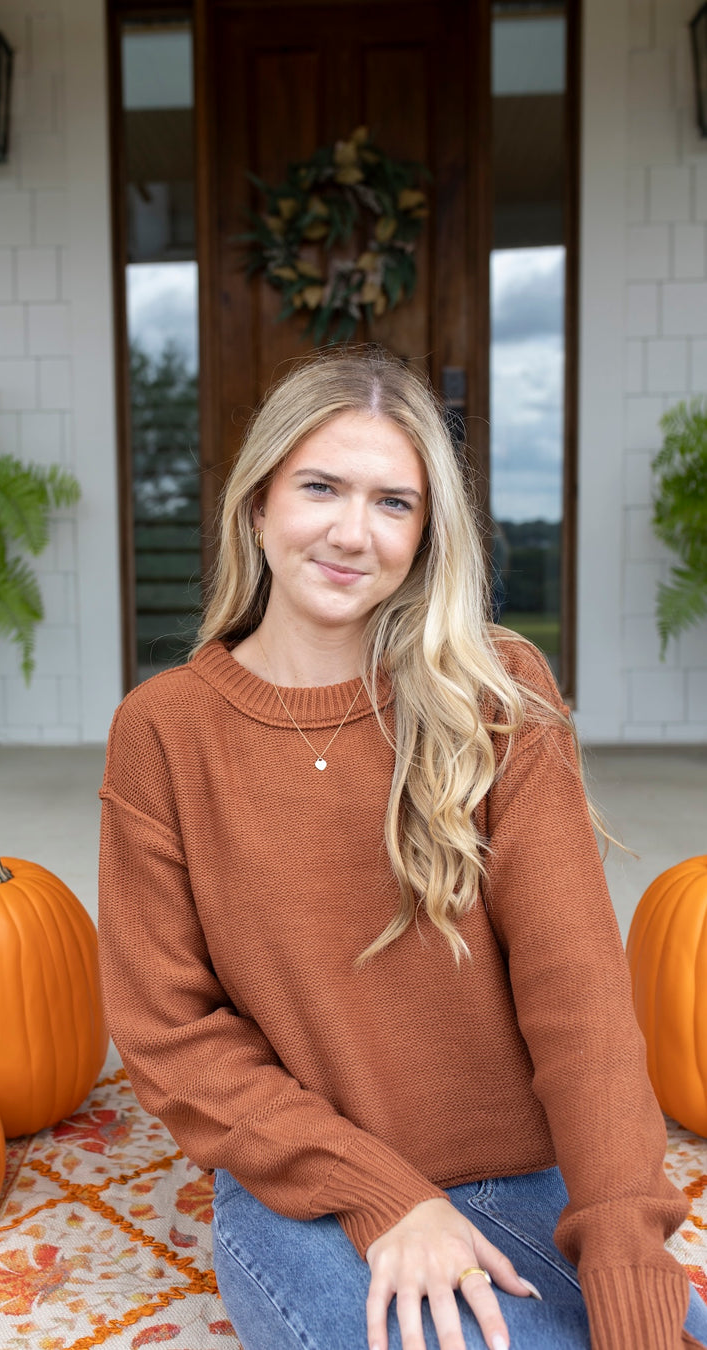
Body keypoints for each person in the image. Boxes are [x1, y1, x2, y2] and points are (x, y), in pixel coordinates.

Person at [97, 346, 707, 1350]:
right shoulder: (163, 731)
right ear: (258, 506)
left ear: (426, 536)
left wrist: (630, 1257)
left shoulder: (499, 694)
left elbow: (580, 996)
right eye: (321, 488)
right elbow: (168, 1033)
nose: (352, 531)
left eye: (393, 502)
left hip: (528, 1171)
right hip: (316, 1197)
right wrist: (383, 1195)